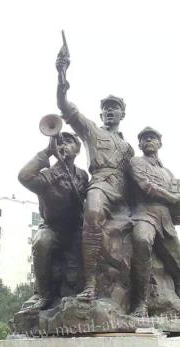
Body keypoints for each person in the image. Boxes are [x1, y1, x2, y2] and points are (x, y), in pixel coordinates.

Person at [56, 52, 134, 301]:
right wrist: (61, 76)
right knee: (92, 214)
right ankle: (89, 284)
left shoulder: (129, 148)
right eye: (106, 108)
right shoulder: (91, 130)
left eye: (115, 108)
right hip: (100, 183)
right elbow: (65, 107)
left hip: (123, 193)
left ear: (123, 114)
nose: (110, 111)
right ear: (101, 114)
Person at [18, 131, 88, 309]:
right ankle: (43, 295)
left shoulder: (82, 175)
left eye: (68, 142)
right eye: (59, 142)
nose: (63, 145)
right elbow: (24, 177)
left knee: (73, 280)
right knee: (41, 241)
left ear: (77, 149)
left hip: (74, 229)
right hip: (52, 227)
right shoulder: (48, 174)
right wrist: (47, 152)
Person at [129, 127, 180, 317]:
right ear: (139, 144)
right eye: (144, 138)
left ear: (159, 144)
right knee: (142, 241)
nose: (148, 141)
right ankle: (141, 303)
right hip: (144, 213)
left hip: (166, 220)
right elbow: (146, 186)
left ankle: (179, 303)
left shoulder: (168, 173)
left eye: (152, 138)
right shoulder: (136, 162)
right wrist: (173, 198)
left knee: (179, 264)